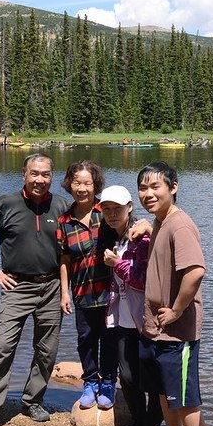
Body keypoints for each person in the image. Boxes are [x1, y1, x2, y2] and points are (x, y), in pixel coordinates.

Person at [0, 153, 68, 426]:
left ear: (52, 176)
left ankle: (33, 400)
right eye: (34, 173)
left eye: (45, 174)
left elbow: (75, 245)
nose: (40, 179)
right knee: (3, 346)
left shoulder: (62, 206)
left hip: (51, 287)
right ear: (24, 174)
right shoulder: (5, 204)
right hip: (17, 286)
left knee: (47, 350)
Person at [135, 162, 212, 426]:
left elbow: (195, 272)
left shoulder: (180, 225)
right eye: (143, 188)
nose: (148, 193)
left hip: (177, 331)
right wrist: (145, 224)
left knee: (186, 395)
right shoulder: (160, 220)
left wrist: (177, 311)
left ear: (173, 187)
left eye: (156, 187)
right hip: (157, 329)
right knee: (165, 392)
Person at [99, 185, 164, 426]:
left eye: (118, 208)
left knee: (152, 378)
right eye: (107, 209)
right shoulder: (112, 237)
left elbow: (142, 279)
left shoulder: (142, 237)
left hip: (145, 319)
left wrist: (118, 264)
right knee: (127, 376)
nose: (112, 214)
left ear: (130, 208)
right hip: (125, 318)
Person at [56, 160, 118, 409]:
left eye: (87, 183)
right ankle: (90, 382)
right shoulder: (65, 221)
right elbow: (64, 259)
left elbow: (131, 230)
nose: (82, 188)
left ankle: (109, 383)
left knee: (110, 339)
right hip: (82, 291)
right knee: (86, 339)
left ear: (96, 185)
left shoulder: (107, 212)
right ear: (69, 185)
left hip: (111, 292)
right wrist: (64, 293)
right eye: (76, 182)